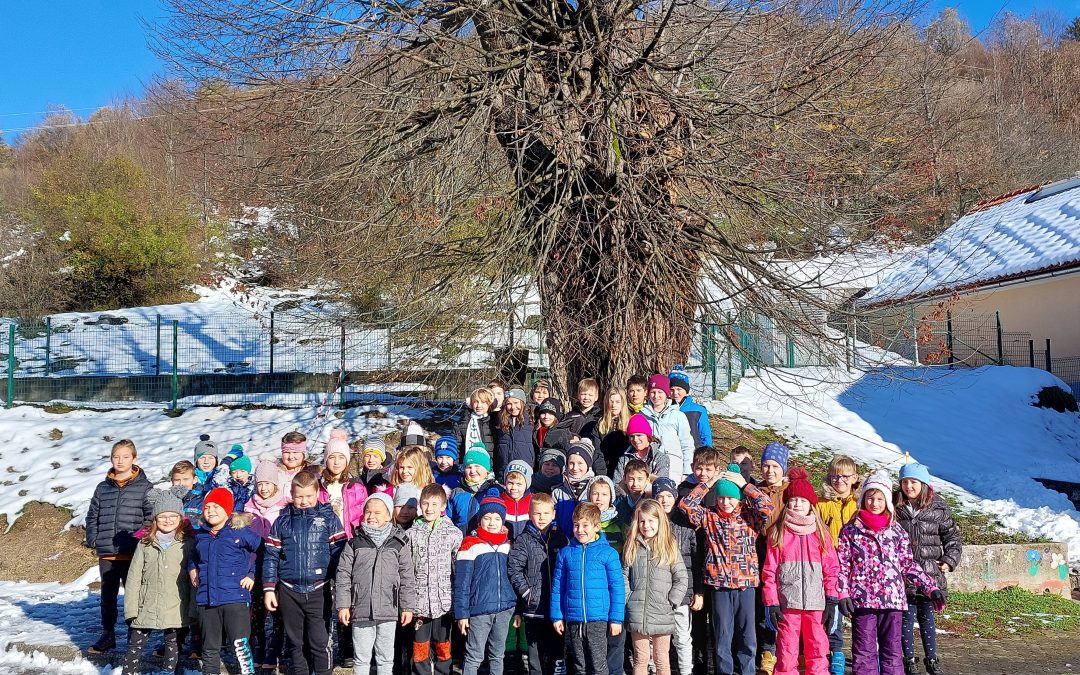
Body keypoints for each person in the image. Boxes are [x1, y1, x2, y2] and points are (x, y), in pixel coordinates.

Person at [837, 470, 944, 675]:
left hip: (892, 600)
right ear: (863, 499)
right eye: (870, 498)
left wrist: (930, 588)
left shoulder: (896, 532)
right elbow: (842, 565)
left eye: (879, 499)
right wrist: (843, 593)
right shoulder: (850, 530)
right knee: (864, 651)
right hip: (863, 600)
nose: (874, 503)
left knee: (893, 652)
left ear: (887, 502)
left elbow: (908, 564)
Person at [679, 463, 774, 675]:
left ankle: (747, 671)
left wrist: (744, 484)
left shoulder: (750, 517)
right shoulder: (709, 517)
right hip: (719, 586)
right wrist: (709, 484)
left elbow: (767, 506)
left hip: (746, 586)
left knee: (747, 638)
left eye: (730, 497)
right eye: (721, 497)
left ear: (738, 498)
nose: (725, 502)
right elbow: (686, 505)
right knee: (722, 638)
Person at [263, 471, 347, 675]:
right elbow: (271, 556)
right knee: (295, 641)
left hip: (319, 588)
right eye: (299, 496)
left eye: (309, 496)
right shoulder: (282, 522)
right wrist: (269, 589)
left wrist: (343, 587)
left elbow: (340, 556)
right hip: (289, 589)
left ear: (318, 493)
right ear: (291, 494)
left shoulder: (329, 519)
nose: (303, 501)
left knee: (319, 640)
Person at [761, 469, 843, 675]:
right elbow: (769, 571)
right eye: (793, 500)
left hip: (817, 604)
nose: (797, 504)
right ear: (787, 502)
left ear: (811, 505)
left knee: (817, 649)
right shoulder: (778, 532)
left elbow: (832, 569)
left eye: (802, 500)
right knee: (787, 651)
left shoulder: (821, 533)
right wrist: (771, 602)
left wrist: (832, 598)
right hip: (788, 603)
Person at [85, 439, 153, 654]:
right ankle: (108, 634)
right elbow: (92, 515)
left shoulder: (145, 487)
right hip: (108, 553)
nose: (120, 461)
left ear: (134, 458)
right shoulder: (102, 487)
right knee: (108, 596)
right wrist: (93, 538)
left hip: (133, 552)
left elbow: (151, 518)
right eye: (116, 457)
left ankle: (136, 635)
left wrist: (139, 539)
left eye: (125, 457)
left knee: (134, 596)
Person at [336, 492, 415, 675]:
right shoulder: (354, 543)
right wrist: (343, 605)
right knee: (362, 657)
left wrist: (407, 607)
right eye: (368, 512)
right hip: (361, 609)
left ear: (389, 516)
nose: (371, 516)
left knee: (385, 657)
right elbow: (343, 575)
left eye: (377, 512)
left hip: (389, 609)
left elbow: (407, 577)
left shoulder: (399, 543)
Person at [894, 460, 961, 675]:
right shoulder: (894, 505)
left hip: (930, 574)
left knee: (927, 618)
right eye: (905, 482)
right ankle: (908, 660)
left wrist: (950, 560)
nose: (909, 486)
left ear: (923, 484)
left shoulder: (938, 507)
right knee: (906, 618)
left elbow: (952, 536)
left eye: (914, 482)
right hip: (903, 575)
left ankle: (932, 659)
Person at [121, 486, 195, 675]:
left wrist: (193, 608)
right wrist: (131, 608)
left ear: (180, 518)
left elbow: (193, 579)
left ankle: (169, 672)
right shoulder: (145, 543)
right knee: (135, 645)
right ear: (155, 519)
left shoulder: (187, 543)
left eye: (173, 516)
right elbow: (134, 577)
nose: (167, 520)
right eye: (162, 516)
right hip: (147, 604)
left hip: (176, 605)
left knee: (173, 644)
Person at [189, 487, 262, 675]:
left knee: (240, 645)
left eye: (216, 506)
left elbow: (264, 551)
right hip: (207, 600)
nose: (211, 511)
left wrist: (252, 573)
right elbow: (193, 556)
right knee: (210, 647)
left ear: (228, 509)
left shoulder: (240, 532)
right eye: (207, 507)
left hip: (235, 598)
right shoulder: (201, 535)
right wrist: (192, 568)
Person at [551, 502, 625, 675]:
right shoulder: (566, 553)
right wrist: (557, 615)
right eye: (576, 525)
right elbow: (558, 587)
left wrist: (616, 619)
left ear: (596, 526)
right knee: (579, 665)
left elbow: (617, 588)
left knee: (598, 665)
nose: (580, 530)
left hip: (598, 619)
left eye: (585, 525)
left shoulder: (608, 553)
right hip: (574, 619)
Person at [622, 499, 688, 675]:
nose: (646, 525)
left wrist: (671, 600)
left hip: (662, 611)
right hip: (637, 613)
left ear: (660, 521)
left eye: (651, 521)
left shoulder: (669, 546)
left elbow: (681, 577)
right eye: (642, 521)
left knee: (661, 658)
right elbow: (624, 576)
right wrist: (628, 599)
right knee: (641, 658)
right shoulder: (632, 546)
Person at [455, 497, 518, 675]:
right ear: (480, 519)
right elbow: (462, 583)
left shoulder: (508, 546)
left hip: (504, 609)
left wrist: (517, 608)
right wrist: (462, 613)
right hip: (479, 611)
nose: (492, 523)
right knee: (474, 655)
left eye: (497, 518)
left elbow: (514, 578)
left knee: (497, 655)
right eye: (487, 518)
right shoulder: (470, 546)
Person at [405, 484, 463, 675]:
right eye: (425, 504)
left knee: (443, 644)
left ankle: (442, 671)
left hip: (444, 602)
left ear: (443, 506)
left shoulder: (453, 534)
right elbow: (407, 569)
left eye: (434, 504)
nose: (429, 508)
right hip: (419, 602)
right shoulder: (411, 535)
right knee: (420, 646)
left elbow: (458, 569)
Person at [508, 492, 566, 675]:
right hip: (533, 609)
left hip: (557, 608)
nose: (541, 518)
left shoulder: (561, 538)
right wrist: (527, 594)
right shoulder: (523, 540)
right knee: (535, 656)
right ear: (530, 514)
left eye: (546, 513)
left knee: (557, 652)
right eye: (537, 513)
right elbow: (514, 569)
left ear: (553, 514)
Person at [816, 454, 860, 675]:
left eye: (844, 476)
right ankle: (835, 649)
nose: (839, 480)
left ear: (854, 478)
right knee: (832, 609)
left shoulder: (860, 503)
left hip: (858, 566)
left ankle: (865, 651)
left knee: (860, 611)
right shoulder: (822, 503)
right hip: (830, 565)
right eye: (834, 476)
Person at [651, 478, 700, 675]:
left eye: (668, 496)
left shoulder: (686, 523)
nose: (664, 500)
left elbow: (695, 561)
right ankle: (654, 669)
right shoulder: (649, 523)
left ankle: (686, 671)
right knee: (655, 635)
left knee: (682, 635)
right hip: (656, 591)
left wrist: (697, 591)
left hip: (682, 590)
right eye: (659, 496)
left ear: (676, 496)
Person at [245, 459, 289, 673]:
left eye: (267, 483)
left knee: (278, 612)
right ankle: (258, 649)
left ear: (275, 485)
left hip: (278, 566)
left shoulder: (284, 507)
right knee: (256, 613)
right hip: (255, 566)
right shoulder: (247, 507)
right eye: (260, 483)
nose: (263, 488)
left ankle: (274, 651)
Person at [755, 442, 792, 675]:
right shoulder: (755, 490)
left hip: (785, 556)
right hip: (759, 554)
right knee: (764, 607)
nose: (769, 471)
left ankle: (789, 652)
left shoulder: (790, 493)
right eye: (766, 465)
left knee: (786, 607)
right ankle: (767, 652)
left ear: (783, 468)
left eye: (775, 466)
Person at [639, 374, 694, 481]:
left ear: (666, 394)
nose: (656, 396)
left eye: (660, 392)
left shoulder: (678, 416)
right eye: (653, 392)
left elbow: (687, 445)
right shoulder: (642, 416)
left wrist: (687, 471)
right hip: (651, 469)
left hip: (674, 469)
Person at [320, 428, 370, 538]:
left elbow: (364, 516)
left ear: (347, 460)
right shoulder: (318, 487)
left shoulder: (357, 487)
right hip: (324, 541)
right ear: (326, 460)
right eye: (332, 457)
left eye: (341, 457)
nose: (336, 462)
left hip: (349, 540)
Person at [448, 444, 501, 533]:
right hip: (461, 540)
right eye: (469, 467)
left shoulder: (496, 491)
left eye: (477, 466)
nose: (472, 471)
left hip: (485, 542)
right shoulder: (457, 493)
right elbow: (448, 518)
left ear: (486, 469)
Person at [552, 441, 597, 535]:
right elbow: (553, 518)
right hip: (563, 542)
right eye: (571, 463)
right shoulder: (558, 492)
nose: (575, 468)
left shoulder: (594, 490)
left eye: (580, 463)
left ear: (588, 465)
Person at [612, 413, 670, 484]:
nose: (635, 439)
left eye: (639, 435)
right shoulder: (624, 459)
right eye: (632, 436)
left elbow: (661, 485)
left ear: (648, 436)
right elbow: (616, 485)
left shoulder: (660, 458)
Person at [668, 366, 713, 450]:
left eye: (679, 389)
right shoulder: (665, 409)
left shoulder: (698, 410)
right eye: (672, 389)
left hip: (694, 454)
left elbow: (705, 435)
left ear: (686, 391)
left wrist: (707, 454)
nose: (675, 393)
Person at [593, 387, 630, 477]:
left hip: (624, 472)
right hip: (604, 470)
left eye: (617, 402)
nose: (614, 405)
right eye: (611, 401)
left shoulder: (630, 423)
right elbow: (597, 452)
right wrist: (602, 474)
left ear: (623, 403)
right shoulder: (599, 425)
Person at [498, 388, 536, 473]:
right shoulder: (501, 420)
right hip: (504, 466)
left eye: (516, 403)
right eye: (509, 404)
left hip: (525, 465)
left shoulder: (531, 418)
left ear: (522, 403)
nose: (513, 407)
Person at [456, 387, 497, 460]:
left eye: (483, 402)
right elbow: (457, 446)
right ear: (471, 403)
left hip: (489, 467)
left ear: (489, 404)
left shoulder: (494, 422)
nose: (479, 405)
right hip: (467, 466)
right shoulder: (462, 422)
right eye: (476, 402)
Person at [501, 460, 534, 539]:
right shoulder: (499, 501)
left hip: (527, 546)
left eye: (519, 484)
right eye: (510, 483)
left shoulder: (534, 501)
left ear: (527, 484)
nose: (514, 488)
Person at [615, 459, 652, 523]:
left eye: (640, 479)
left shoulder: (650, 501)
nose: (635, 484)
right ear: (624, 479)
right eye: (631, 479)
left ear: (647, 480)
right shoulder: (617, 501)